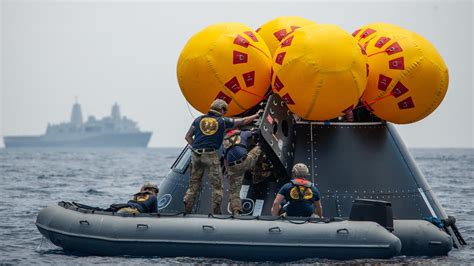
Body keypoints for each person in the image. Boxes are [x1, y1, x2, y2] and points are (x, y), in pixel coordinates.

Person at [183, 99, 262, 214]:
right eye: (225, 111)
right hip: (210, 155)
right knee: (217, 186)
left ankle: (187, 209)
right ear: (221, 109)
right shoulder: (222, 121)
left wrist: (196, 148)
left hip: (195, 155)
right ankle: (216, 212)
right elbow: (243, 121)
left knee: (193, 185)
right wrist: (257, 114)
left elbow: (188, 137)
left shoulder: (198, 120)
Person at [223, 128, 262, 216]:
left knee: (234, 192)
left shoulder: (224, 143)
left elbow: (225, 160)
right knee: (259, 148)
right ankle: (258, 175)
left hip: (233, 167)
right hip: (245, 162)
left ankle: (236, 212)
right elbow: (254, 133)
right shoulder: (243, 134)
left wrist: (228, 171)